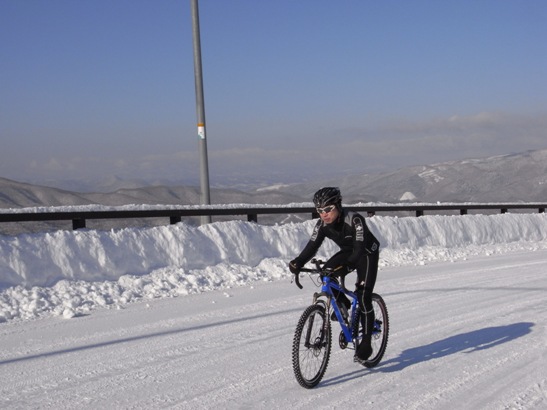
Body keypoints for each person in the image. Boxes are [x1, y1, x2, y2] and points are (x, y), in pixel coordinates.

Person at [289, 187, 380, 363]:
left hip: (366, 253)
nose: (324, 214)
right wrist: (298, 262)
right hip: (348, 251)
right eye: (320, 211)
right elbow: (312, 245)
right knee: (327, 275)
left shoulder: (355, 220)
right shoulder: (322, 224)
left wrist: (346, 267)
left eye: (328, 209)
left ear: (338, 205)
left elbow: (359, 250)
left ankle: (367, 339)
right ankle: (344, 306)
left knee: (363, 297)